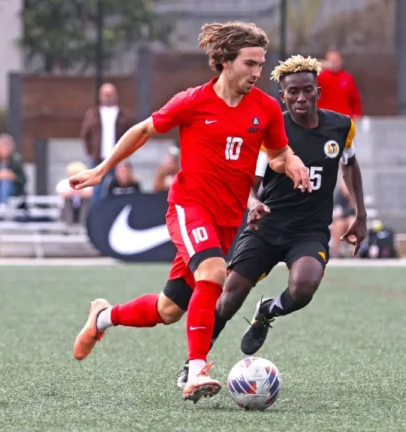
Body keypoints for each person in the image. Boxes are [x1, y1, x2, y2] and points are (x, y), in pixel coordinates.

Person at [67, 22, 311, 403]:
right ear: (226, 62)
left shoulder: (265, 108)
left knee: (169, 310)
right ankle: (195, 369)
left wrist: (291, 161)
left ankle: (102, 317)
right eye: (250, 63)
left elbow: (277, 154)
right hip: (189, 206)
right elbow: (142, 130)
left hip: (229, 219)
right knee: (213, 273)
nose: (257, 72)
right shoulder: (193, 101)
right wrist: (101, 170)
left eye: (261, 64)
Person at [175, 54, 369, 387]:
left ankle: (267, 312)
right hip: (266, 226)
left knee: (304, 286)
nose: (300, 98)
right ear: (282, 95)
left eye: (307, 91)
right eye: (293, 92)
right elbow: (248, 184)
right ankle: (195, 365)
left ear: (318, 92)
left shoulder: (341, 126)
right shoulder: (269, 128)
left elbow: (349, 164)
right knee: (229, 295)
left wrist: (360, 214)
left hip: (309, 230)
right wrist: (251, 203)